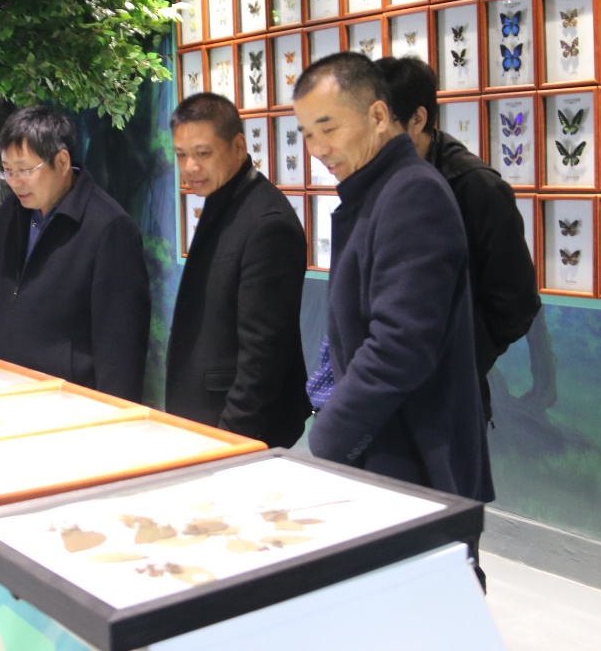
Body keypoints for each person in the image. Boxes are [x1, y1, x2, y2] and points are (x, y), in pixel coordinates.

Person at [292, 52, 493, 507]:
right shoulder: (373, 191)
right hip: (384, 448)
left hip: (412, 457)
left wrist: (331, 434)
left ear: (379, 116)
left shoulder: (412, 192)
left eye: (328, 128)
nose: (317, 148)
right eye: (306, 134)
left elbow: (401, 345)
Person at [382, 56, 542, 425]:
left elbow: (516, 303)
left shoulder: (477, 187)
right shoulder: (377, 181)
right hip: (381, 392)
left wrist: (455, 360)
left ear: (417, 119)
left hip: (447, 398)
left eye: (381, 122)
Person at [165, 93, 311, 447]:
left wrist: (232, 437)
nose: (190, 167)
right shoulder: (223, 200)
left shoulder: (267, 223)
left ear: (238, 146)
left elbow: (264, 356)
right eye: (181, 154)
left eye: (203, 153)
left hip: (239, 428)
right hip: (204, 418)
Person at [0, 106, 150, 402]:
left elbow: (121, 348)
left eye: (24, 170)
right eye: (7, 171)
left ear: (61, 161)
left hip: (71, 404)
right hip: (5, 392)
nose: (14, 182)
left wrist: (116, 415)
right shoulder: (12, 211)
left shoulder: (108, 227)